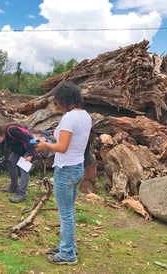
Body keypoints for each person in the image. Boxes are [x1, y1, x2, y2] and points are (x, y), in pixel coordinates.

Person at [35, 81, 92, 265]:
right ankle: (68, 245)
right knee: (70, 211)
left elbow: (62, 147)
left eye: (57, 101)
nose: (56, 105)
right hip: (77, 168)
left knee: (65, 213)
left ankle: (67, 254)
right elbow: (72, 140)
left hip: (66, 169)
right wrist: (54, 133)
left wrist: (44, 144)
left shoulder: (68, 118)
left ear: (65, 100)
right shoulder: (85, 116)